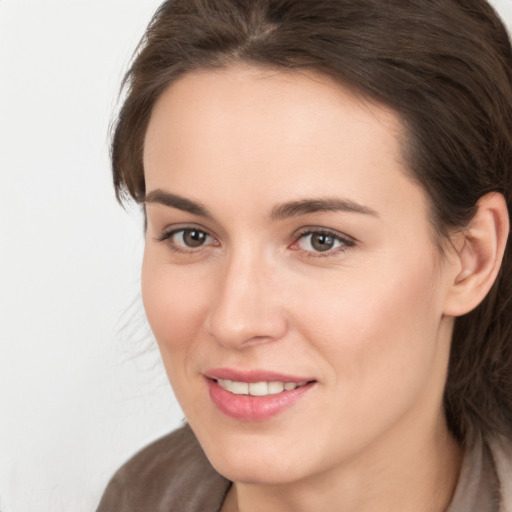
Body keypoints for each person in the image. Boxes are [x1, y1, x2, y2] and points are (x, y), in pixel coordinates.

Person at [96, 0, 512, 510]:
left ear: (470, 258)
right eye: (191, 236)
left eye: (320, 240)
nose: (233, 321)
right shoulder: (138, 497)